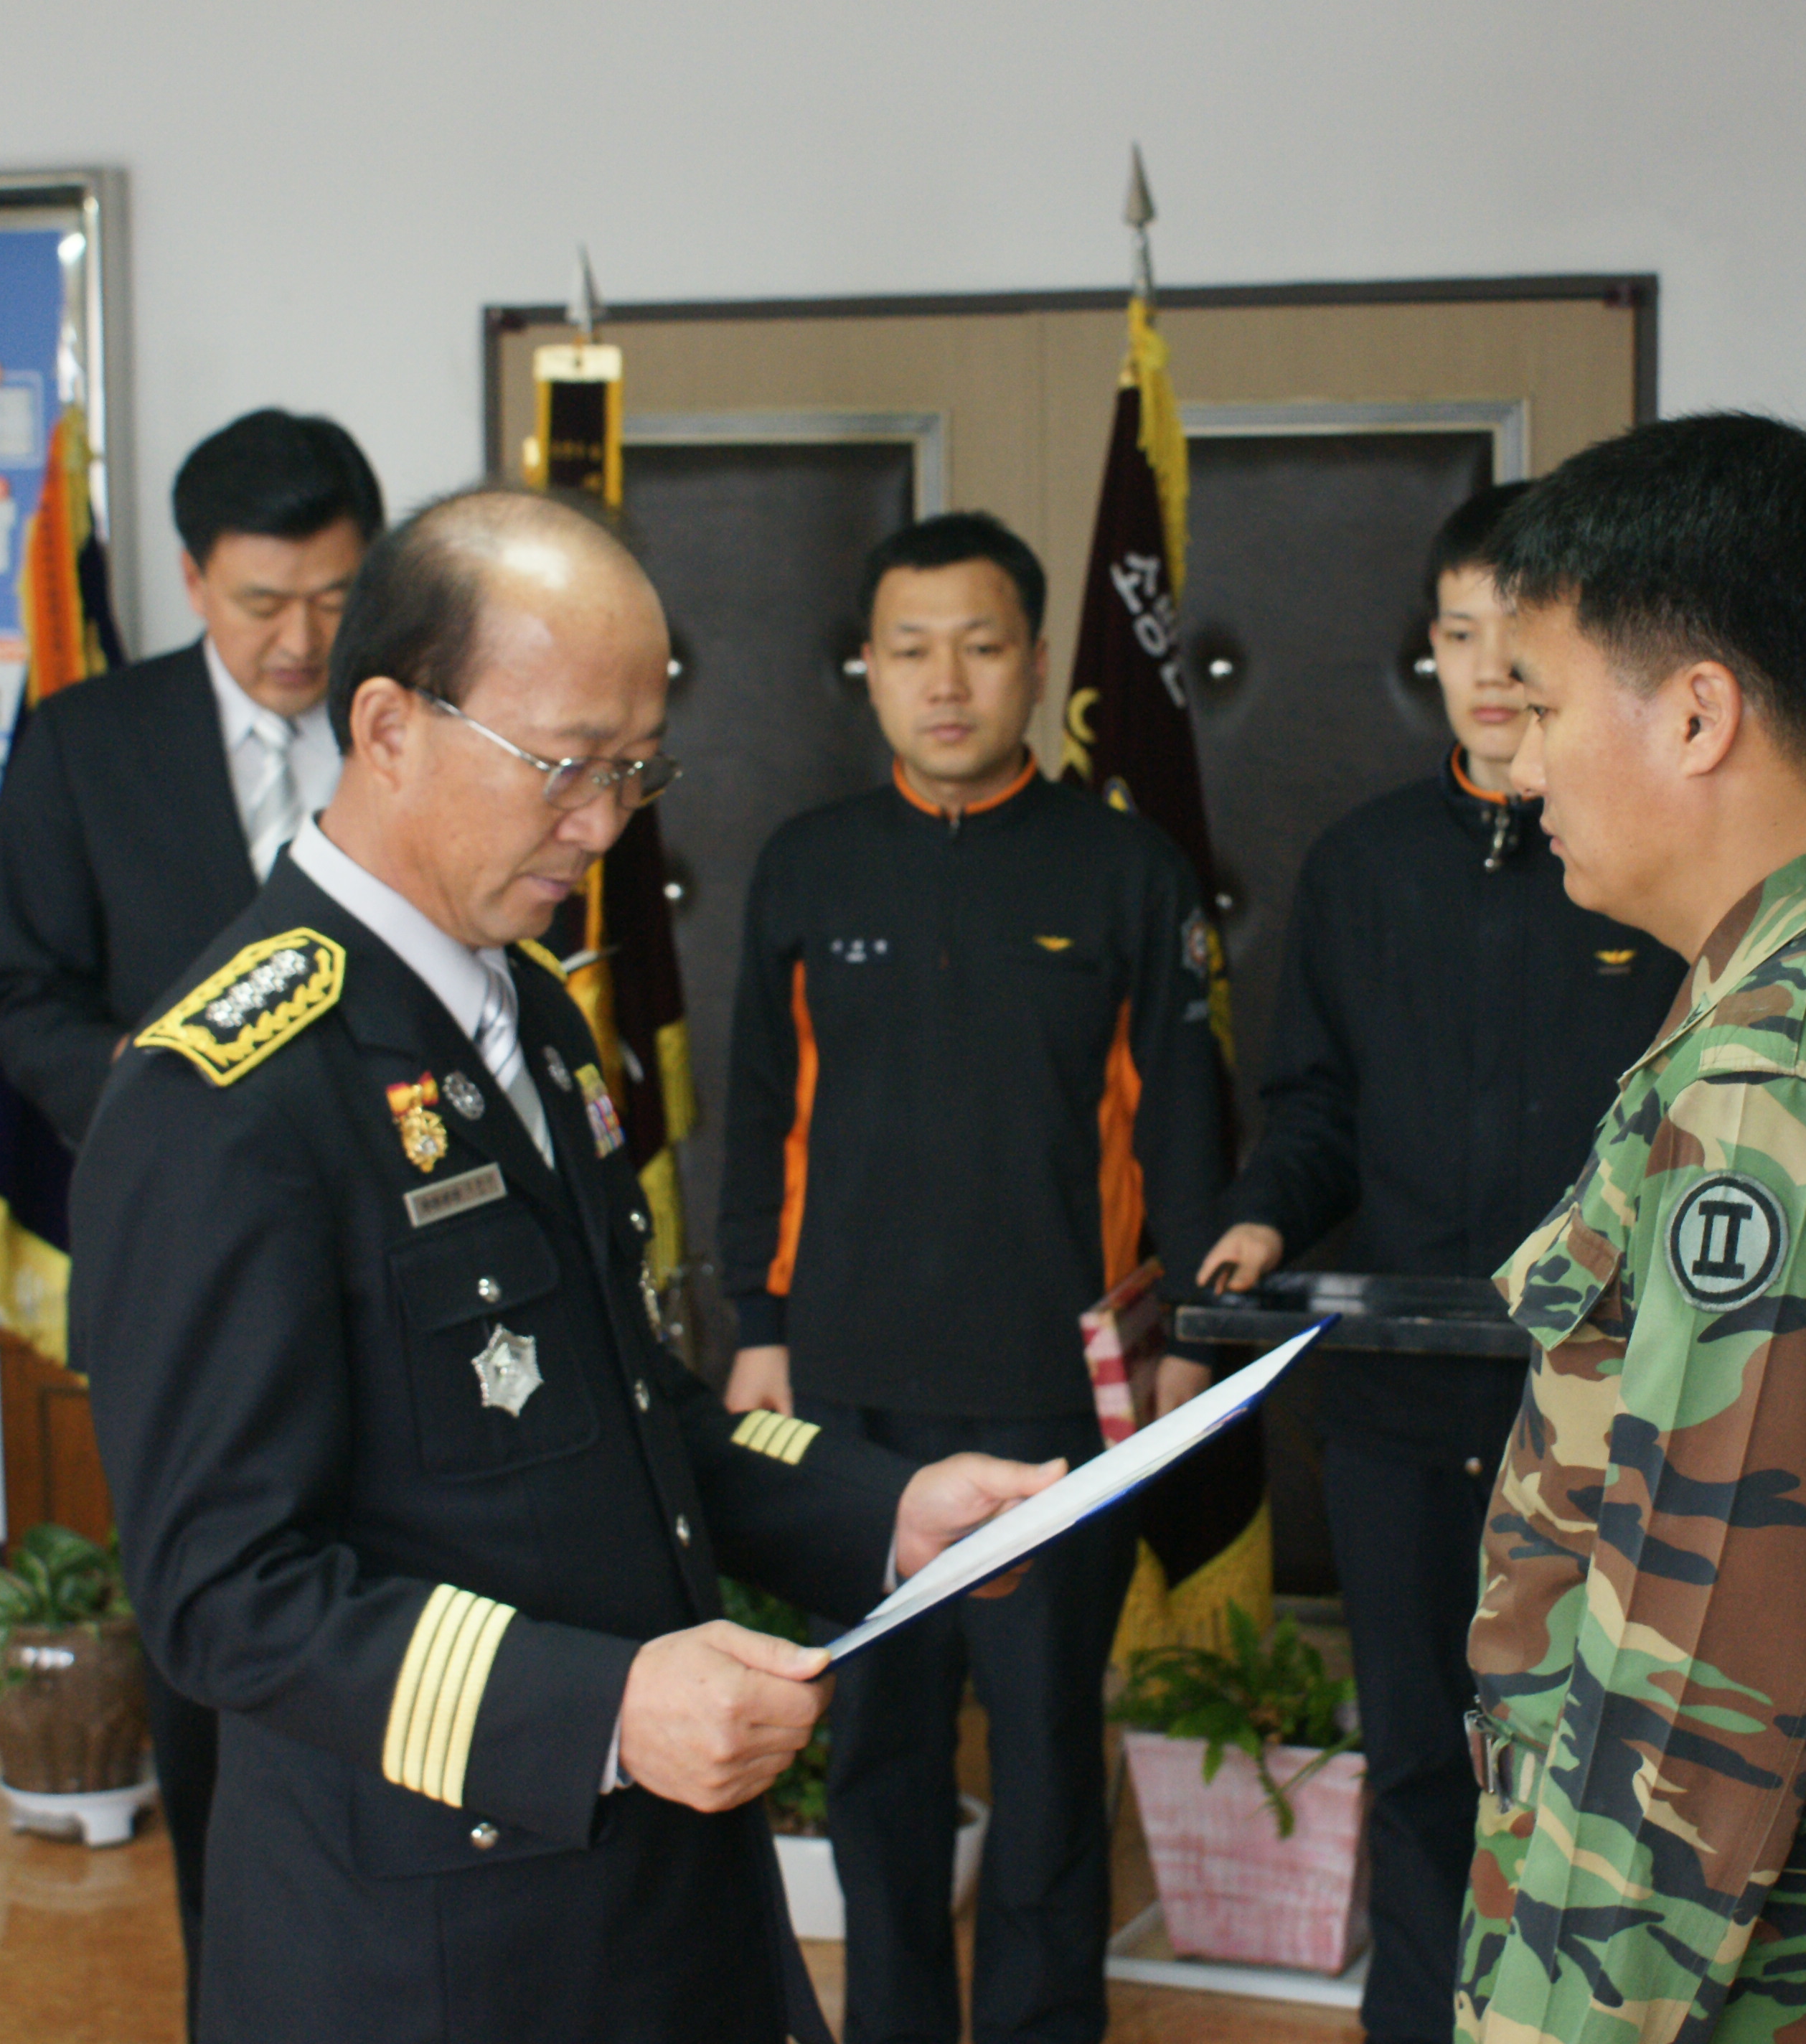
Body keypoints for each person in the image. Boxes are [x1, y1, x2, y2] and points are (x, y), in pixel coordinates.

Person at [73, 487, 1062, 2044]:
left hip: (660, 1892)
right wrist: (599, 1707)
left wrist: (885, 1511)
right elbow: (221, 1592)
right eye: (566, 767)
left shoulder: (527, 1010)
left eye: (636, 768)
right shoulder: (231, 1092)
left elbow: (626, 1409)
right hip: (434, 1943)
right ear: (390, 726)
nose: (605, 827)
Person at [1454, 416, 1806, 2044]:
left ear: (1699, 713)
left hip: (1731, 1985)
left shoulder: (1779, 1092)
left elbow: (1698, 1687)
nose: (1519, 767)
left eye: (1544, 707)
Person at [718, 510, 1226, 2044]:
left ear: (1037, 661)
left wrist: (1190, 1339)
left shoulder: (1127, 869)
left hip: (1050, 1401)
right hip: (850, 1401)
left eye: (982, 645)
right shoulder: (807, 866)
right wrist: (759, 1326)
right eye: (911, 649)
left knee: (1050, 1752)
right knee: (877, 1753)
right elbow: (763, 1113)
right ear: (868, 669)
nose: (946, 683)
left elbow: (1185, 1126)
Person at [1190, 482, 1684, 2044]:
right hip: (1399, 1407)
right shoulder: (1363, 864)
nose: (1488, 670)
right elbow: (1317, 1110)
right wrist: (1264, 1212)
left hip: (1595, 1406)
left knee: (1596, 1775)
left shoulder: (1640, 865)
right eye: (1460, 632)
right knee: (1417, 1760)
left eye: (1518, 638)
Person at [0, 405, 382, 2017]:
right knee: (220, 1644)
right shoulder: (87, 743)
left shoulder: (415, 722)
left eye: (335, 598)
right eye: (263, 602)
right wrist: (168, 1108)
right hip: (192, 1277)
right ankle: (241, 1993)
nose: (300, 642)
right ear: (194, 576)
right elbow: (22, 995)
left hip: (401, 1248)